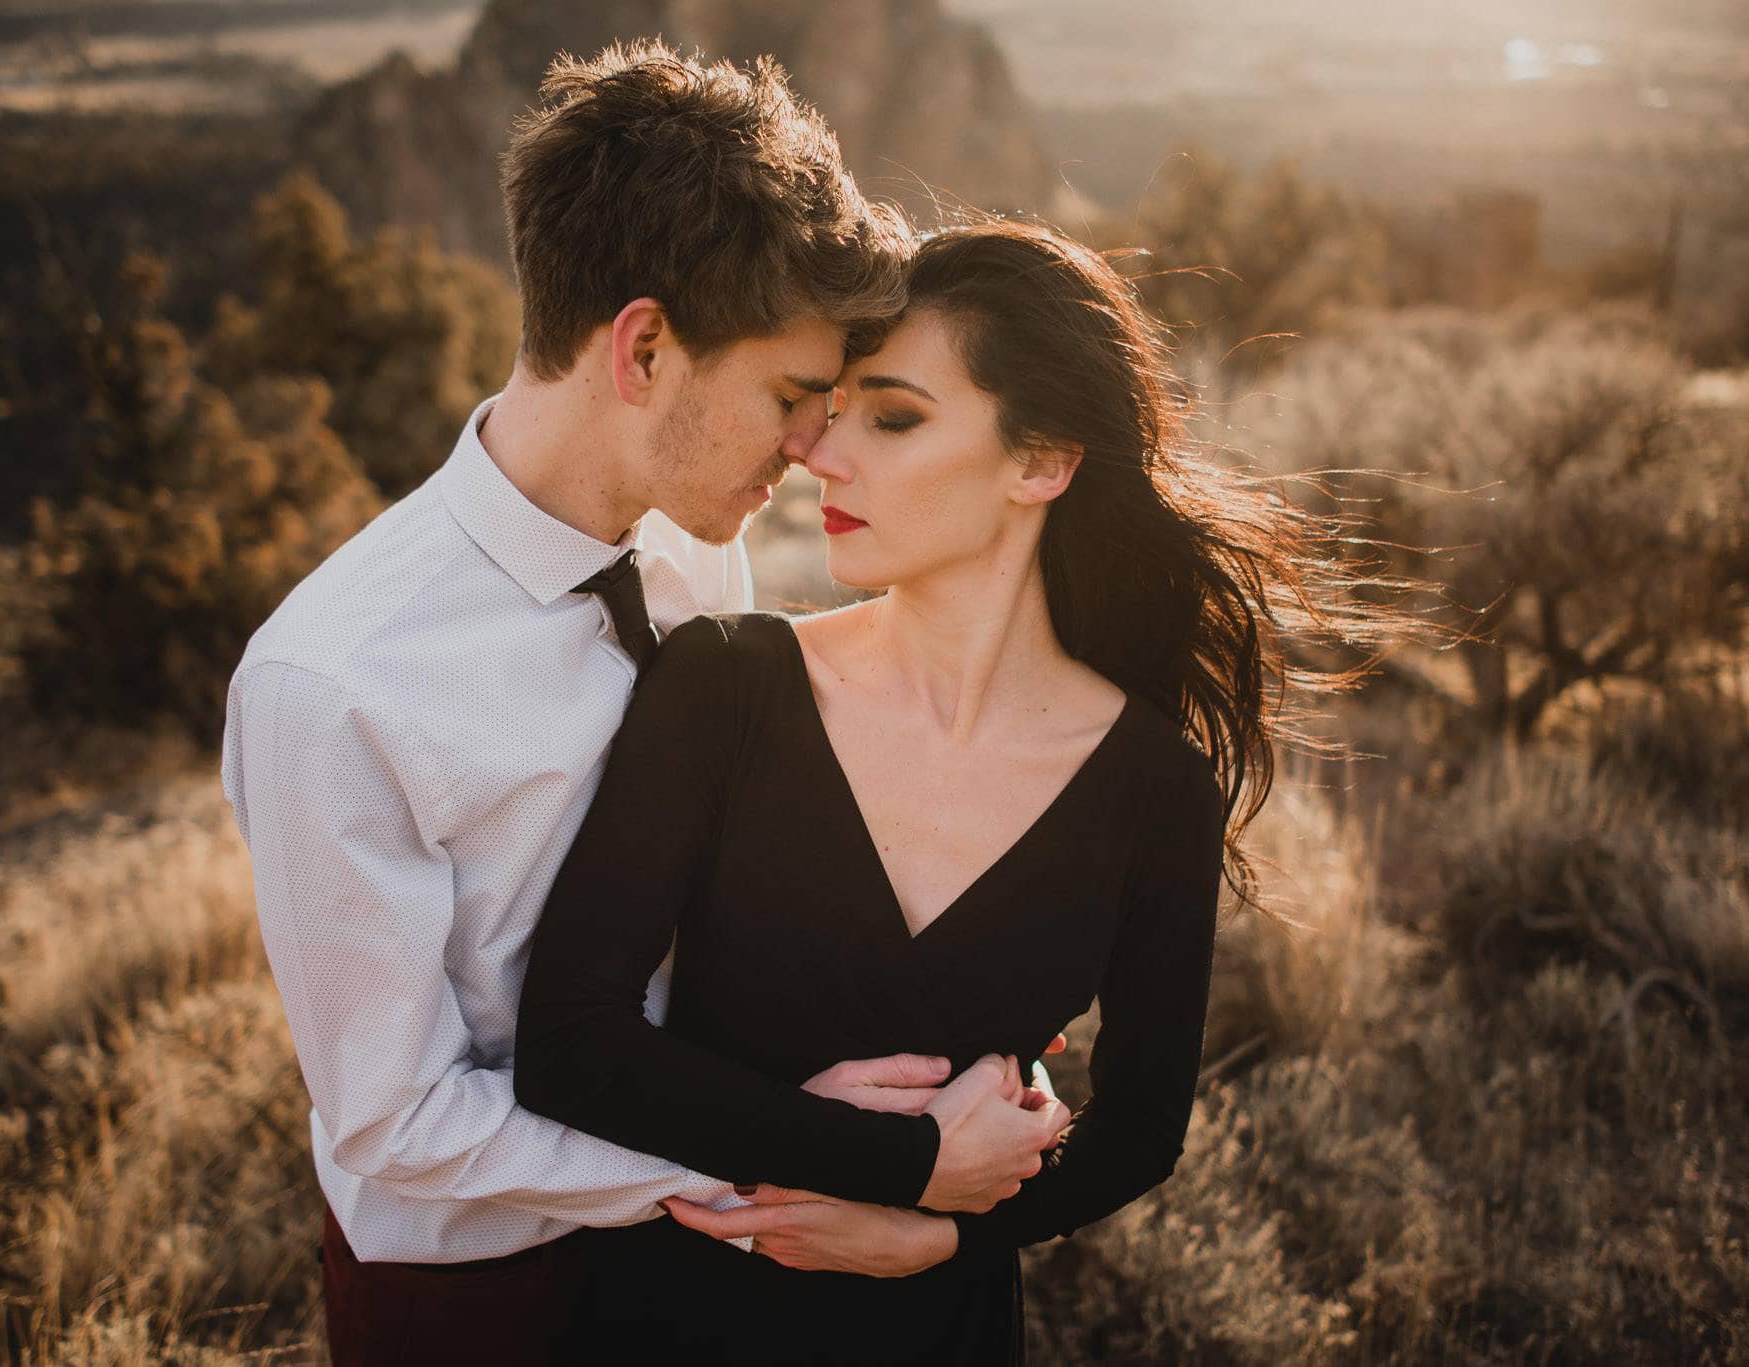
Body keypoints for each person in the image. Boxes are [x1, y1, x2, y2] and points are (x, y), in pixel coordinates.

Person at [217, 44, 1065, 1366]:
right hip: (492, 1289)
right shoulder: (331, 685)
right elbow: (398, 1119)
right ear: (646, 346)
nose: (810, 450)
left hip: (721, 1223)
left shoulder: (686, 553)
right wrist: (768, 1146)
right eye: (791, 398)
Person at [512, 217, 1391, 1363]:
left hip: (936, 1331)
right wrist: (908, 1168)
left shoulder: (1152, 790)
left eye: (893, 416)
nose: (822, 454)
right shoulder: (726, 681)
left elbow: (1135, 1127)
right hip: (680, 1314)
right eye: (832, 410)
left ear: (1041, 460)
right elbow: (568, 1042)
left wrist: (937, 1241)